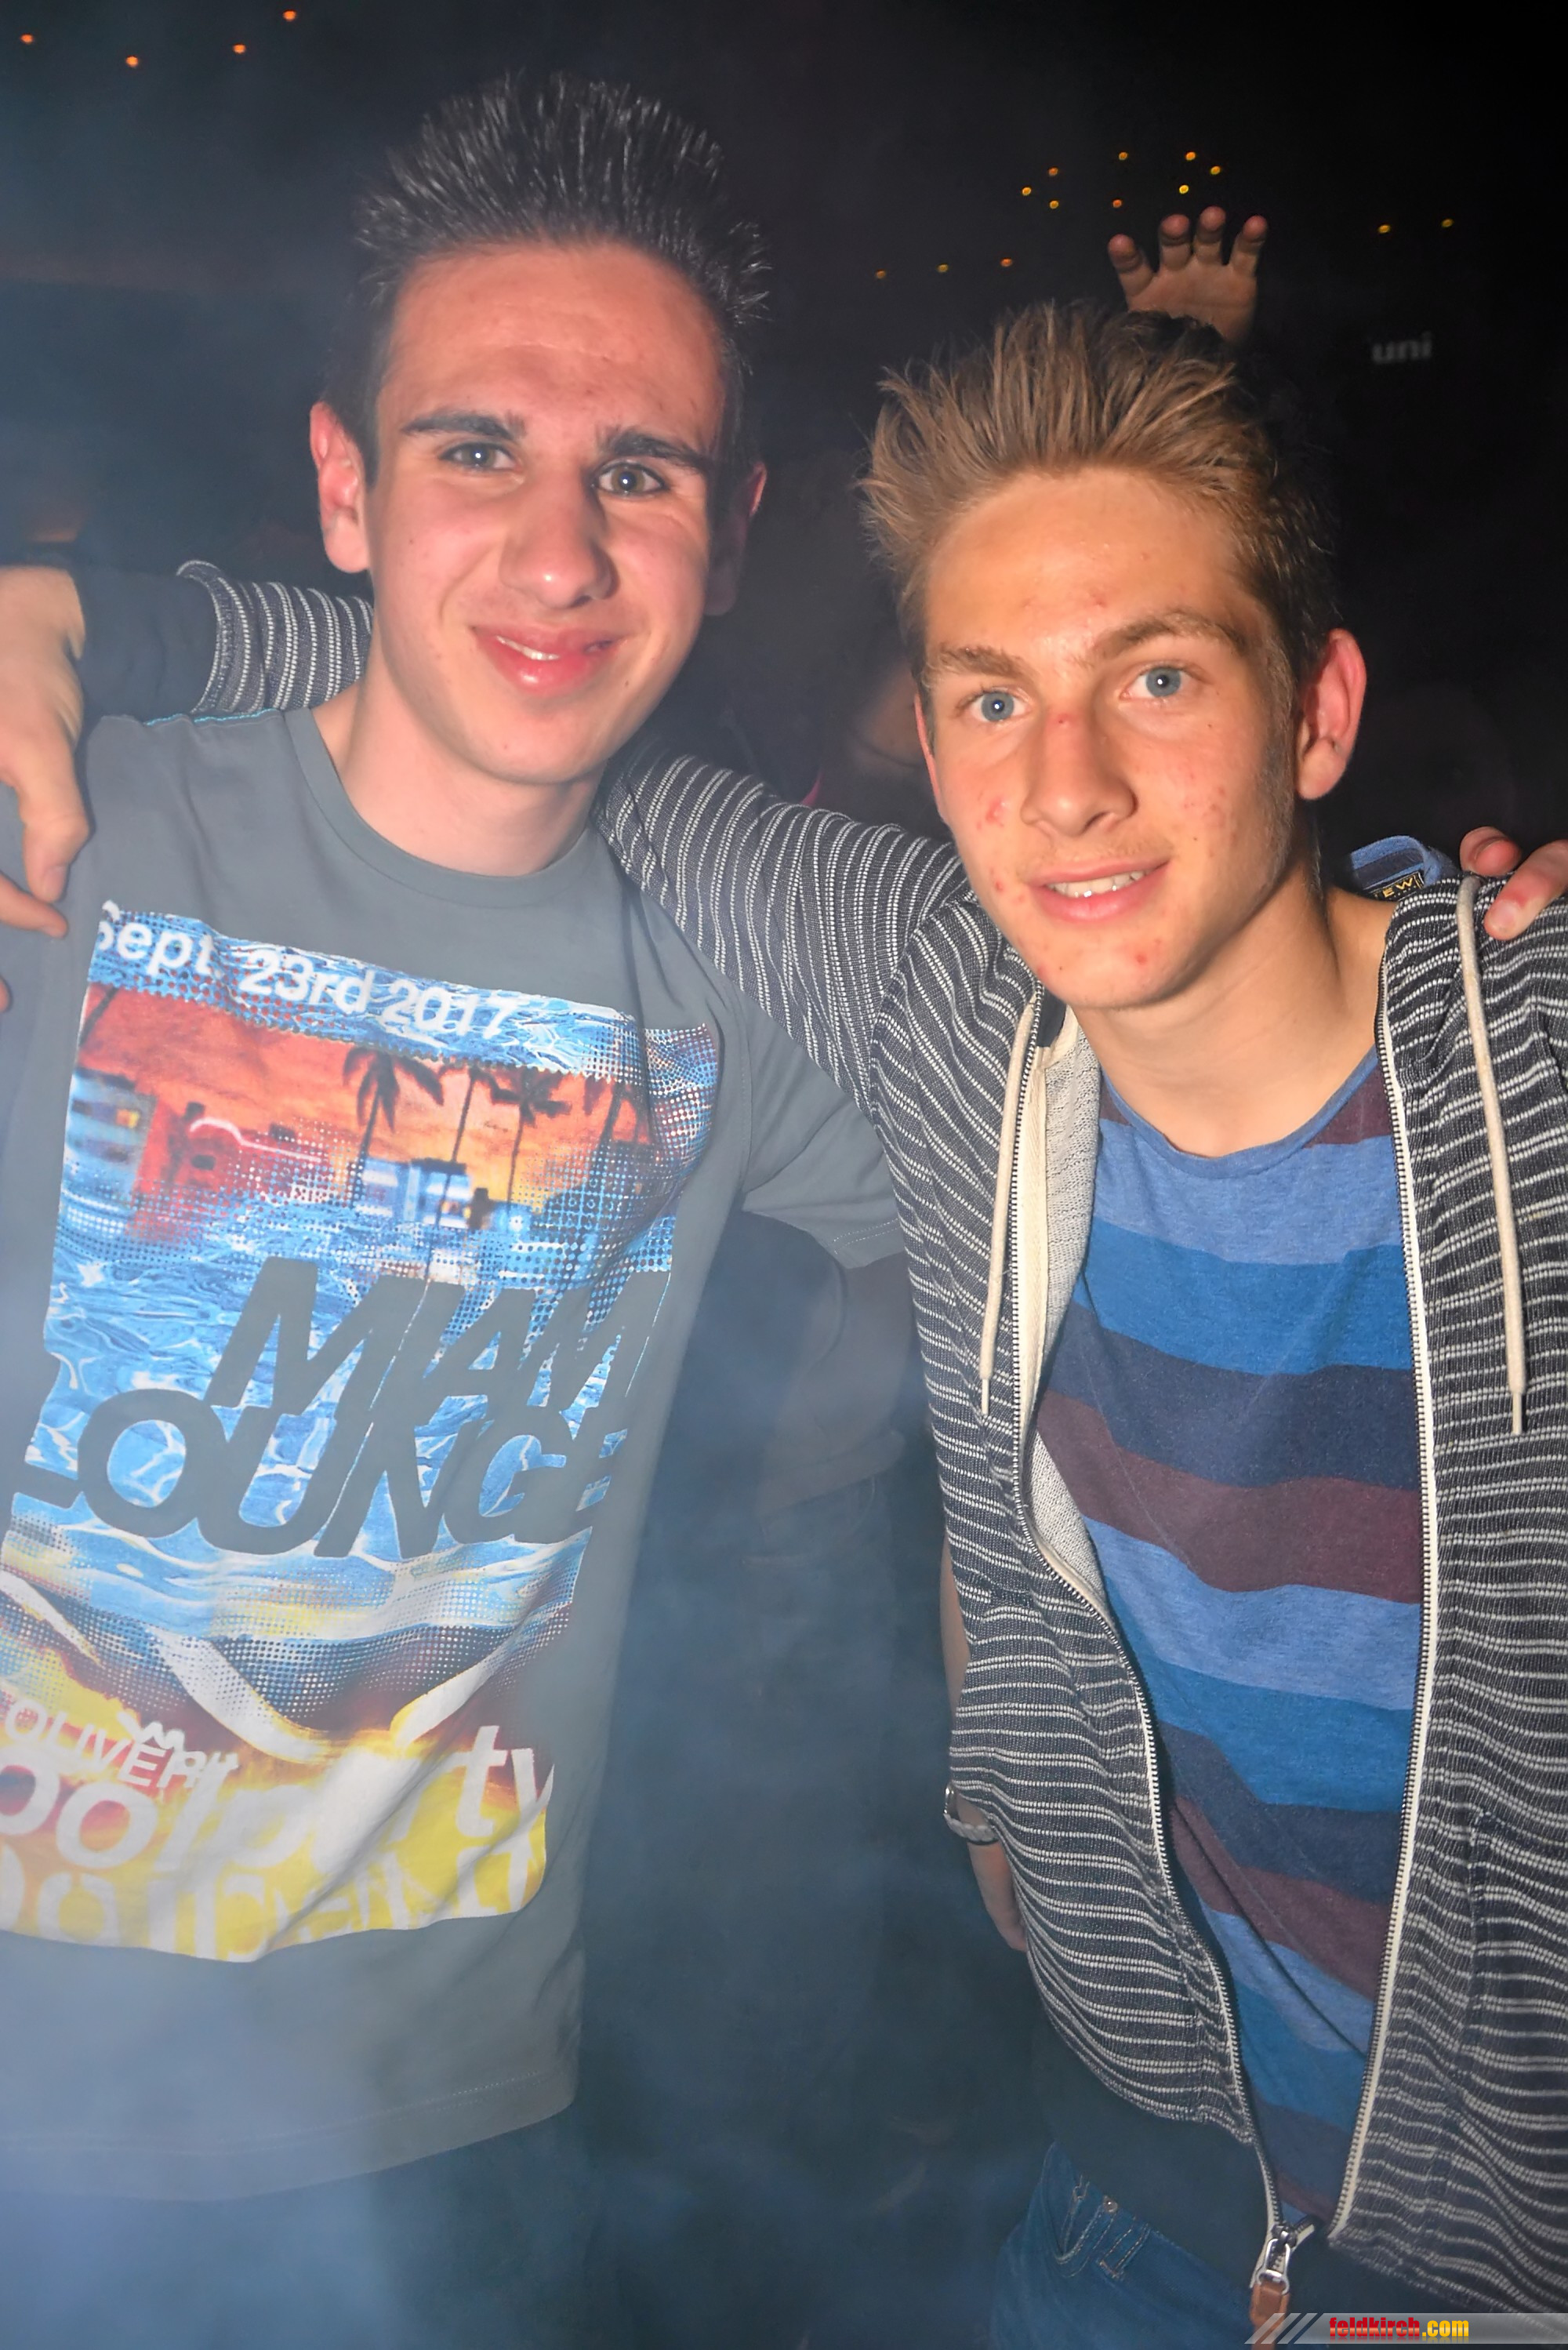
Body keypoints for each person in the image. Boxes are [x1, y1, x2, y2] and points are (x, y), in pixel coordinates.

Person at [6, 252, 1568, 2350]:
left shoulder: (1532, 1066)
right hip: (1123, 2228)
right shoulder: (937, 1003)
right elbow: (519, 687)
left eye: (1158, 682)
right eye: (993, 699)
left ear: (1319, 712)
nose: (1069, 784)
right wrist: (95, 617)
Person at [0, 73, 917, 2350]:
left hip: (452, 2145)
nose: (560, 553)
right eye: (476, 449)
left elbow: (1160, 1114)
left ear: (732, 530)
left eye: (640, 472)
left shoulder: (745, 978)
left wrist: (1453, 952)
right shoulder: (63, 822)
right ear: (345, 487)